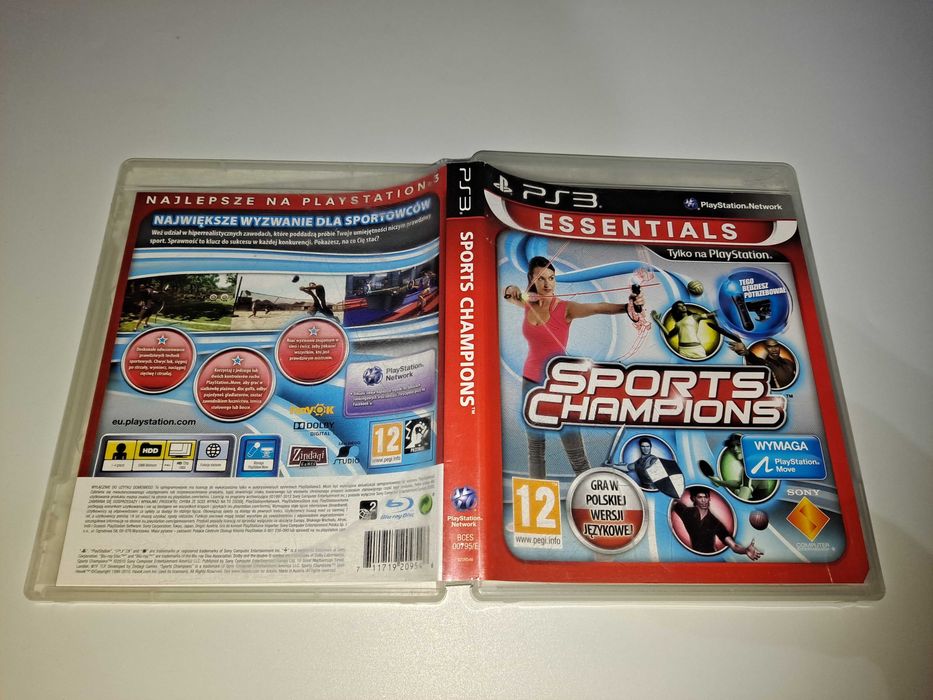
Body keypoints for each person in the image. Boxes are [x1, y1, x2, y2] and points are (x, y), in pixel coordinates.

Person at [503, 256, 644, 479]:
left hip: (559, 383)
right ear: (531, 279)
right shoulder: (528, 303)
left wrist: (628, 307)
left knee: (576, 454)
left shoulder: (566, 308)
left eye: (551, 278)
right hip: (530, 382)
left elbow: (597, 308)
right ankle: (535, 496)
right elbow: (511, 295)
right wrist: (510, 290)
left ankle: (588, 495)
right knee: (535, 448)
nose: (547, 284)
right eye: (541, 279)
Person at [671, 486, 763, 559]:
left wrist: (745, 550)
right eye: (700, 497)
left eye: (706, 497)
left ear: (709, 498)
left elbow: (734, 545)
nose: (703, 500)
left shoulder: (715, 523)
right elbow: (673, 502)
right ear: (693, 499)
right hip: (695, 557)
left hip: (711, 557)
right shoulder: (687, 512)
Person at [651, 301, 739, 360]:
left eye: (683, 305)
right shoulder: (678, 323)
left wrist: (727, 307)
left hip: (697, 349)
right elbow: (668, 335)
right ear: (677, 310)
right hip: (683, 350)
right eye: (680, 307)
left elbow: (712, 314)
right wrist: (658, 321)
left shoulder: (694, 317)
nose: (683, 307)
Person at [728, 337, 796, 389]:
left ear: (779, 347)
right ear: (766, 348)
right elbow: (755, 360)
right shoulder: (765, 364)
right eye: (770, 347)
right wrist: (746, 352)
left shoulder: (789, 362)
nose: (774, 349)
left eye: (776, 346)